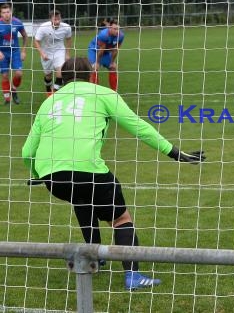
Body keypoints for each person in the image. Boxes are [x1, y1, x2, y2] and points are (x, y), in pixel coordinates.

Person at [22, 57, 206, 290]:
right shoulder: (103, 94)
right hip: (88, 170)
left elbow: (27, 151)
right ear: (91, 75)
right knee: (120, 218)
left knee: (82, 201)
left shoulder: (49, 103)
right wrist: (175, 153)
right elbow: (138, 126)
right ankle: (132, 276)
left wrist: (38, 174)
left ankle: (95, 257)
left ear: (62, 78)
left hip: (52, 177)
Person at [33, 9, 72, 97]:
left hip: (59, 52)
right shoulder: (43, 27)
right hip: (46, 53)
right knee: (48, 75)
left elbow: (69, 39)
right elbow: (36, 41)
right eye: (55, 19)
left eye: (59, 19)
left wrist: (67, 53)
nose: (57, 21)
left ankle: (54, 93)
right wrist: (42, 53)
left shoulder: (66, 27)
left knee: (60, 72)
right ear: (50, 19)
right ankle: (48, 90)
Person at [0, 3, 28, 104]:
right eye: (4, 12)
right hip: (2, 52)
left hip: (15, 51)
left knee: (19, 74)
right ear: (1, 14)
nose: (6, 14)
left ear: (11, 12)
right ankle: (7, 98)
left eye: (8, 12)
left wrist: (23, 51)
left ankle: (14, 90)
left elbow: (25, 36)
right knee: (5, 75)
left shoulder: (17, 22)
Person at [87, 18, 124, 91]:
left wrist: (112, 62)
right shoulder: (104, 35)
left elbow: (115, 50)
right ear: (109, 28)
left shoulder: (121, 36)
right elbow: (101, 50)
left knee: (113, 68)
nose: (117, 31)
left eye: (118, 29)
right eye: (115, 29)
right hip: (94, 50)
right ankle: (95, 91)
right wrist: (97, 62)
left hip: (106, 52)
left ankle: (114, 92)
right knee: (94, 68)